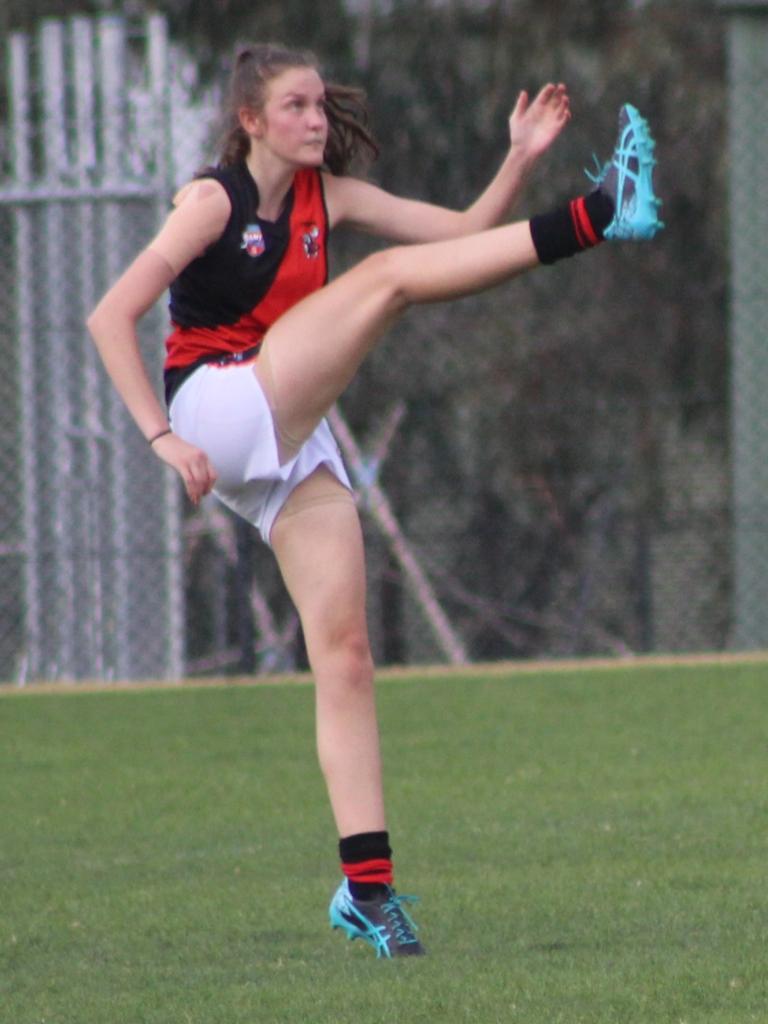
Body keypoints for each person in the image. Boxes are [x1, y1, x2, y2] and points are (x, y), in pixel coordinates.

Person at [87, 42, 663, 959]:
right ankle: (601, 214)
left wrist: (516, 159)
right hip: (217, 405)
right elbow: (110, 315)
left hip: (286, 425)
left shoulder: (332, 200)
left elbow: (466, 229)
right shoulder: (211, 201)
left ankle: (367, 891)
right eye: (294, 108)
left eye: (320, 105)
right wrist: (163, 437)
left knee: (346, 656)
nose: (316, 121)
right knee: (385, 284)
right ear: (249, 121)